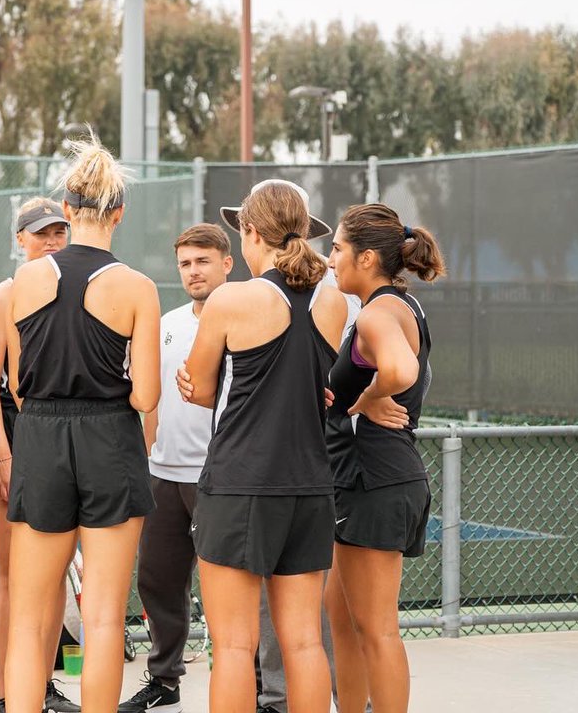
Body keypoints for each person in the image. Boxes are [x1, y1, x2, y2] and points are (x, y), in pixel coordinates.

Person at [177, 180, 348, 713]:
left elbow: (199, 386)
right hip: (310, 486)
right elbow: (313, 387)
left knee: (233, 646)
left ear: (251, 231)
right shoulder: (334, 301)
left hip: (240, 485)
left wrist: (195, 383)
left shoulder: (232, 299)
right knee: (304, 642)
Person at [4, 138, 161, 713]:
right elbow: (146, 395)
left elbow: (18, 385)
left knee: (28, 618)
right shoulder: (137, 287)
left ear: (67, 211)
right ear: (118, 213)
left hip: (41, 436)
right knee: (103, 618)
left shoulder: (24, 282)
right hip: (109, 438)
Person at [322, 204, 445, 713]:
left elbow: (400, 370)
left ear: (367, 258)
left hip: (374, 480)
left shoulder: (377, 313)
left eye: (337, 249)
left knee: (377, 630)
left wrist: (368, 396)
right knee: (341, 617)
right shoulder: (398, 306)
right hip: (365, 480)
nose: (330, 260)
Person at [118, 223, 233, 713]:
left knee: (232, 592)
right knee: (157, 583)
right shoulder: (165, 324)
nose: (193, 271)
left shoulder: (246, 319)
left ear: (227, 263)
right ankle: (165, 682)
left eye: (203, 261)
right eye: (185, 263)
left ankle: (249, 685)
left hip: (222, 479)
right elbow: (153, 401)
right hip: (164, 476)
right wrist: (148, 461)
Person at [0, 198, 79, 713]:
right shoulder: (3, 296)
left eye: (59, 231)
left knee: (56, 573)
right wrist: (1, 455)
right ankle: (6, 694)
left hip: (58, 442)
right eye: (41, 233)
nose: (52, 241)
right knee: (12, 574)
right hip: (17, 444)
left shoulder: (73, 291)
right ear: (20, 238)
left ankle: (40, 686)